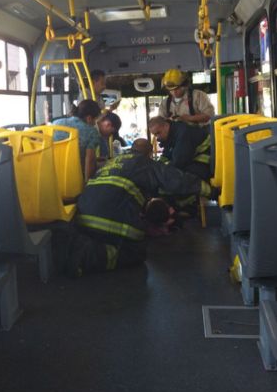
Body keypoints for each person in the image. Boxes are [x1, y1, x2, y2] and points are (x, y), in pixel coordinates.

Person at [56, 144, 218, 277]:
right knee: (136, 252)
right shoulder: (143, 162)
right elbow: (174, 179)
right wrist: (209, 191)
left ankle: (82, 245)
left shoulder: (113, 162)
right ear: (148, 154)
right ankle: (84, 257)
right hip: (106, 221)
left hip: (82, 218)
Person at [147, 116, 211, 181]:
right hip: (193, 159)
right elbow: (166, 155)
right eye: (155, 135)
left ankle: (208, 190)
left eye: (158, 133)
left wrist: (160, 171)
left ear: (166, 126)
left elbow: (178, 161)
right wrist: (157, 166)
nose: (157, 137)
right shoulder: (171, 134)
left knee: (176, 178)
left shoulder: (183, 133)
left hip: (205, 162)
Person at [52, 99, 102, 181]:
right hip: (73, 180)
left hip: (52, 175)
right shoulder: (92, 132)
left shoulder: (55, 123)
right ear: (89, 118)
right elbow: (89, 160)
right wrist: (88, 184)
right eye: (95, 120)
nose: (95, 124)